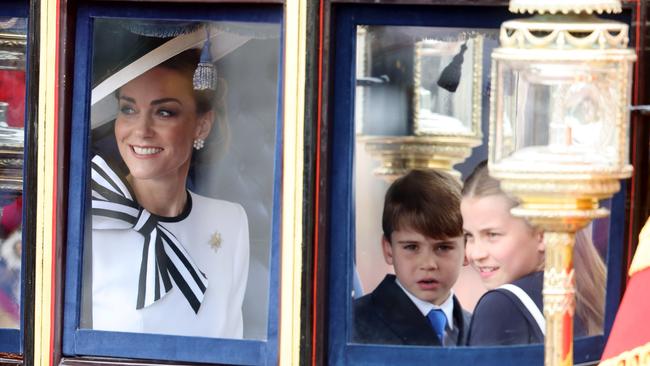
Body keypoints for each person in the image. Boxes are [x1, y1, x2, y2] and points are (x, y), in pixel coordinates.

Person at [89, 48, 250, 339]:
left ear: (201, 125)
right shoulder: (90, 221)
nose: (141, 130)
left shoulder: (230, 222)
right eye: (128, 109)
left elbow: (231, 343)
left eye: (164, 112)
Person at [461, 161, 605, 346]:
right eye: (469, 236)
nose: (475, 253)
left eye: (492, 235)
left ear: (543, 234)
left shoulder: (500, 306)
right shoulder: (594, 294)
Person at [353, 169, 471, 346]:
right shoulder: (353, 325)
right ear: (388, 249)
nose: (428, 264)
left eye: (443, 247)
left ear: (467, 249)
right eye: (411, 247)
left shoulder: (480, 329)